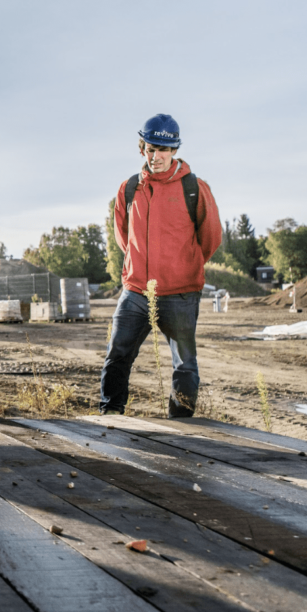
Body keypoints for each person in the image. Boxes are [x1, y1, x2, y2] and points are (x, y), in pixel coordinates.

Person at [101, 114, 221, 417]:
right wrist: (140, 267)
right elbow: (123, 236)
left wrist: (183, 265)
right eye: (150, 149)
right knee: (117, 355)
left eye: (163, 150)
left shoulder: (195, 188)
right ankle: (110, 416)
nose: (156, 157)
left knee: (184, 363)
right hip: (136, 292)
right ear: (142, 148)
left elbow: (211, 237)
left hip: (181, 293)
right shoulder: (129, 188)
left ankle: (181, 425)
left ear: (174, 150)